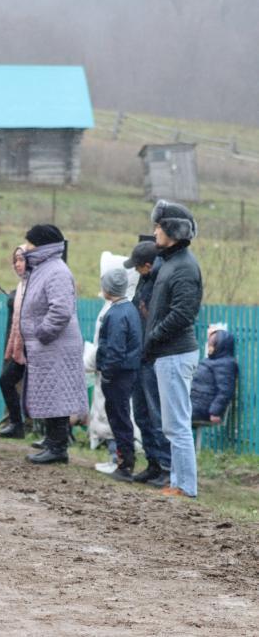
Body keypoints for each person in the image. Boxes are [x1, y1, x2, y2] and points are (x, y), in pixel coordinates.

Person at [146, 200, 202, 498]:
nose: (154, 231)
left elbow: (183, 314)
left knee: (177, 424)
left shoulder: (184, 268)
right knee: (173, 424)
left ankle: (186, 486)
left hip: (175, 354)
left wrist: (154, 335)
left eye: (159, 226)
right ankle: (178, 482)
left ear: (172, 230)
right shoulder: (171, 263)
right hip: (169, 353)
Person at [19, 224, 88, 464]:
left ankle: (58, 448)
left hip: (54, 345)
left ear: (42, 245)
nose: (26, 247)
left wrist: (42, 333)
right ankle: (52, 442)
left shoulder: (56, 271)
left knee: (57, 395)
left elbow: (61, 309)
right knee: (48, 393)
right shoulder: (43, 268)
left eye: (29, 243)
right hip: (46, 347)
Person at [123, 240, 171, 486]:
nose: (135, 271)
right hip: (140, 356)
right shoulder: (146, 280)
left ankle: (166, 466)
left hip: (152, 357)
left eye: (138, 266)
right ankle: (153, 462)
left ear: (148, 265)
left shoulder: (160, 284)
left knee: (156, 414)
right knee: (141, 414)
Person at [95, 267, 143, 481]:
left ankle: (124, 464)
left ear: (108, 289)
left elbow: (114, 348)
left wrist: (106, 372)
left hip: (117, 374)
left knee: (118, 417)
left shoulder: (115, 314)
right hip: (128, 371)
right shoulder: (130, 309)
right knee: (121, 415)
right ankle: (124, 460)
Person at [0, 246, 29, 438]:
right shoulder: (21, 286)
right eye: (15, 260)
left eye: (21, 259)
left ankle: (56, 437)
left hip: (33, 347)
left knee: (42, 390)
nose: (17, 264)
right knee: (5, 381)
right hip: (19, 346)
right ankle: (17, 424)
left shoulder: (34, 285)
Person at [190, 327, 237, 424]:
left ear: (220, 345)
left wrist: (215, 412)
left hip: (203, 408)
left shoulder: (225, 364)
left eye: (212, 343)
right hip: (194, 403)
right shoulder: (211, 360)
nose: (209, 346)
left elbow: (225, 390)